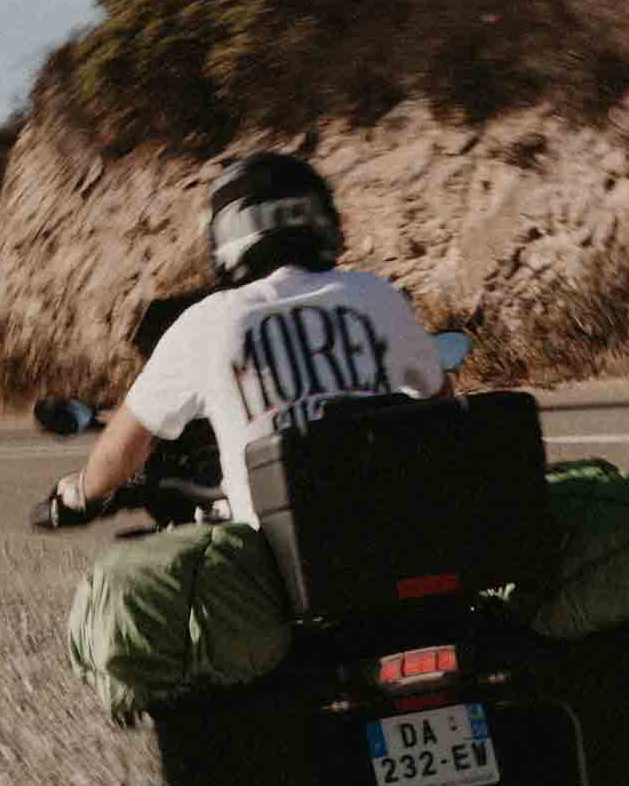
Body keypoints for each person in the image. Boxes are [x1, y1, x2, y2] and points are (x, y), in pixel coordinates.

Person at [37, 153, 444, 529]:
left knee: (125, 581)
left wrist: (80, 495)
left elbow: (126, 445)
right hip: (393, 532)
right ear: (322, 219)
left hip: (275, 553)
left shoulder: (207, 322)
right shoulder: (377, 295)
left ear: (230, 233)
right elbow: (438, 400)